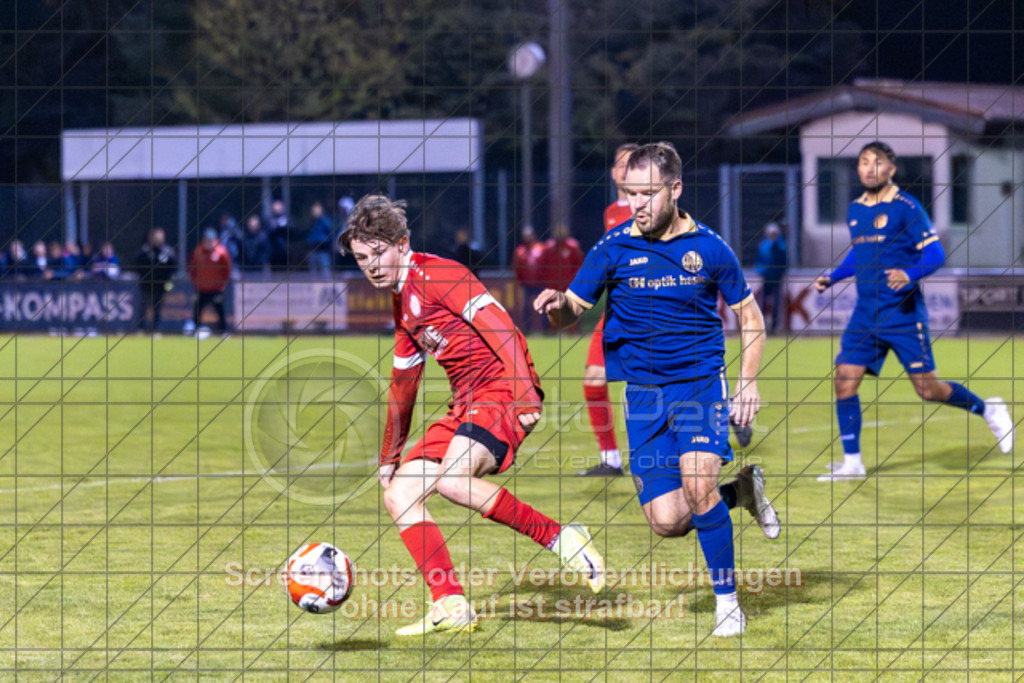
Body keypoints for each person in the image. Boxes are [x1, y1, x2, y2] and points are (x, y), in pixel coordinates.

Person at [534, 142, 779, 637]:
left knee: (698, 486)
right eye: (630, 194)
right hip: (642, 396)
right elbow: (572, 313)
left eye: (647, 193)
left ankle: (727, 602)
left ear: (675, 189)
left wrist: (748, 379)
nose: (637, 205)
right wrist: (557, 306)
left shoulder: (709, 248)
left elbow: (751, 319)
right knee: (667, 521)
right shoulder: (613, 246)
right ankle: (744, 491)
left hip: (698, 388)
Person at [338, 194, 605, 636]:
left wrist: (523, 394)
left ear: (402, 244)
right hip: (466, 403)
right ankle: (451, 603)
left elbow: (501, 328)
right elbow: (403, 387)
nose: (370, 266)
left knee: (453, 480)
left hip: (502, 389)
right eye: (362, 258)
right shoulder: (402, 303)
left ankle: (563, 539)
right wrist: (390, 455)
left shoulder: (441, 274)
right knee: (400, 493)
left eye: (377, 253)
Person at [814, 141, 1014, 481]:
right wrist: (833, 276)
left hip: (903, 315)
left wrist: (909, 273)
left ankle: (989, 409)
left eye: (876, 163)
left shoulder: (906, 208)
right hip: (865, 316)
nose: (868, 168)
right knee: (844, 381)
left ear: (891, 169)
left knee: (927, 389)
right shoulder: (855, 210)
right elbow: (858, 255)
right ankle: (853, 462)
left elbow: (935, 255)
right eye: (863, 162)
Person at [578, 143, 637, 477]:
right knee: (593, 379)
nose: (623, 169)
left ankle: (728, 409)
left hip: (649, 311)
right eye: (619, 163)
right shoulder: (611, 211)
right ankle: (611, 459)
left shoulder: (652, 206)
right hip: (617, 311)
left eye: (630, 163)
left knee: (667, 381)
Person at [188, 227, 232, 333]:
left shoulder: (221, 253)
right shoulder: (198, 251)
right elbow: (192, 268)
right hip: (201, 288)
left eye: (211, 240)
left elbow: (226, 270)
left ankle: (223, 331)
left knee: (220, 310)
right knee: (197, 310)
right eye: (207, 240)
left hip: (216, 288)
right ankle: (196, 329)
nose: (209, 242)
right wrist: (196, 283)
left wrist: (221, 285)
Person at [135, 228, 177, 332]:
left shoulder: (167, 252)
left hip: (160, 286)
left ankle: (155, 329)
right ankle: (141, 329)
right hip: (146, 285)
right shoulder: (145, 251)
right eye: (156, 237)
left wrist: (168, 282)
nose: (158, 240)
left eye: (160, 237)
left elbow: (172, 269)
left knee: (157, 309)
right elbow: (138, 266)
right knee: (143, 308)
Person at [754, 221, 787, 333]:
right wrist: (761, 271)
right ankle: (762, 325)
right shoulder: (764, 246)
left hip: (776, 278)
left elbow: (782, 259)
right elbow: (759, 261)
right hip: (766, 278)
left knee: (776, 304)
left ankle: (774, 326)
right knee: (762, 302)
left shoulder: (780, 245)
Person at [512, 225, 545, 331]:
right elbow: (516, 268)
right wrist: (519, 283)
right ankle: (527, 329)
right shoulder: (520, 251)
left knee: (543, 307)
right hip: (526, 284)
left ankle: (546, 329)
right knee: (526, 308)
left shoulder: (541, 248)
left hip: (541, 283)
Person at [305, 200, 334, 278]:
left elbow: (330, 232)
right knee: (313, 272)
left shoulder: (325, 220)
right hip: (312, 248)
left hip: (322, 249)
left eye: (317, 208)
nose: (315, 211)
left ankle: (327, 287)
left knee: (325, 270)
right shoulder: (312, 221)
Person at [268, 199, 290, 269]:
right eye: (275, 206)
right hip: (273, 252)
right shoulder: (269, 220)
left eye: (279, 206)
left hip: (286, 251)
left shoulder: (288, 219)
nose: (277, 208)